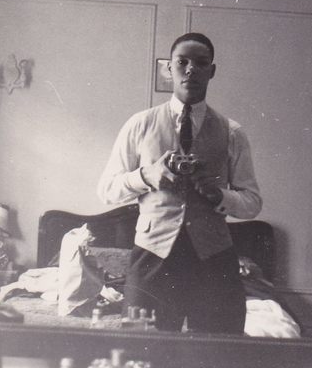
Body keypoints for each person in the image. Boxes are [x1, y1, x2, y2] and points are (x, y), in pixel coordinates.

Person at [97, 32, 262, 334]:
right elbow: (106, 190)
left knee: (219, 349)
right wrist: (147, 176)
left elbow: (252, 203)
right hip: (152, 258)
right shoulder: (140, 124)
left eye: (201, 63)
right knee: (140, 346)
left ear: (212, 71)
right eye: (182, 62)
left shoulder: (232, 132)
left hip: (213, 260)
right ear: (169, 68)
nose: (191, 70)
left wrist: (218, 194)